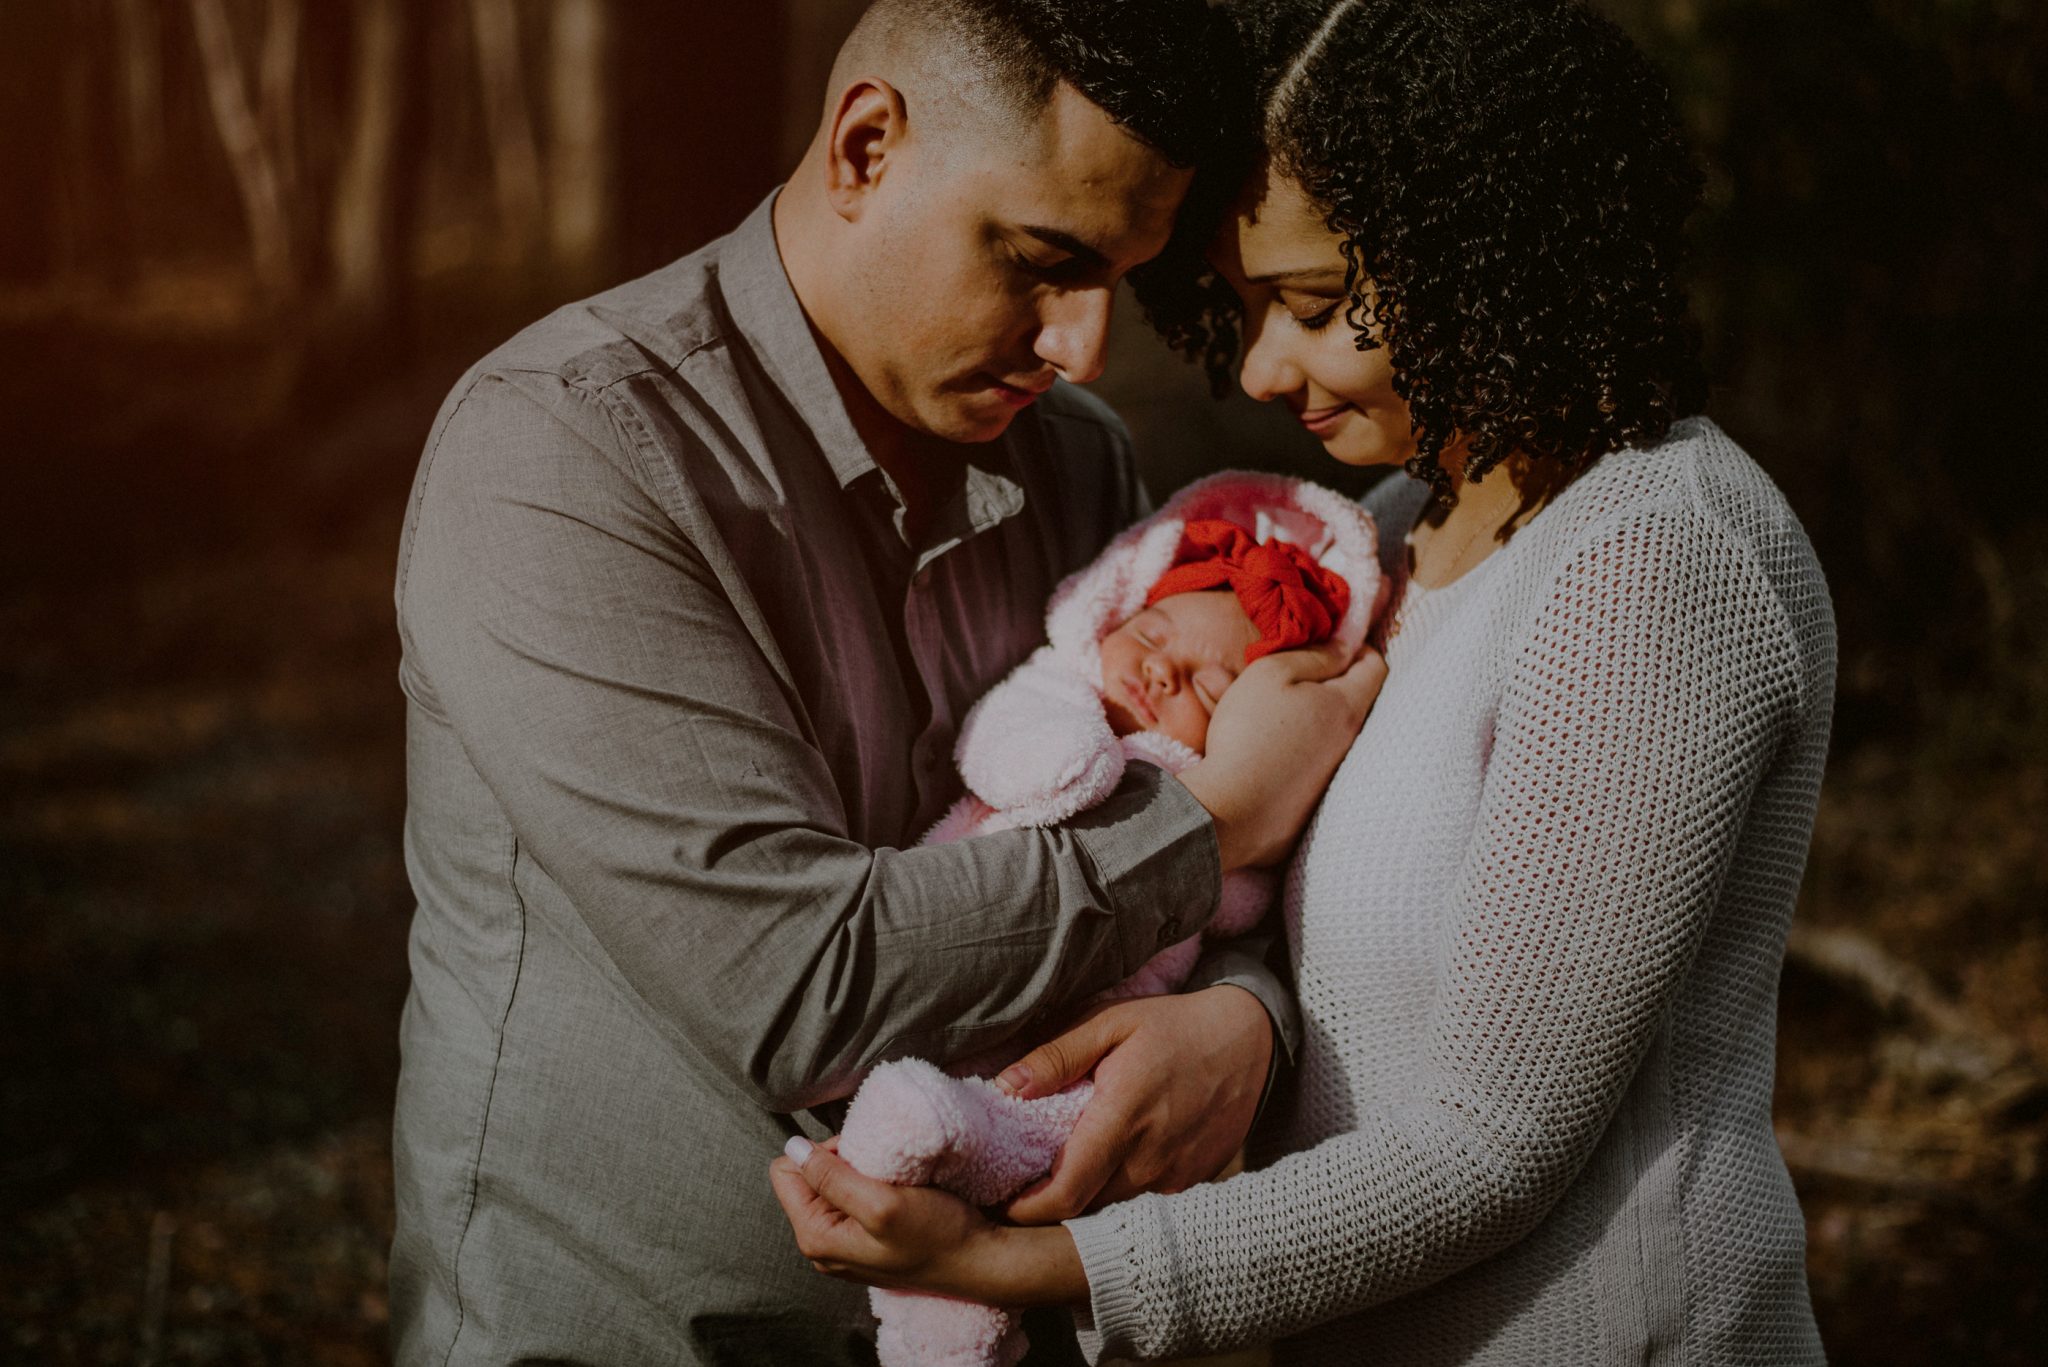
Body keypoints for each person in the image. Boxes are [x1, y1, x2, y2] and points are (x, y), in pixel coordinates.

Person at [770, 2, 1838, 1363]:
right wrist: (1230, 1017)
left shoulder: (1656, 560)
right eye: (1244, 306)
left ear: (1489, 252)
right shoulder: (1378, 536)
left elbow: (1488, 1146)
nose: (1265, 369)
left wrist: (1028, 1261)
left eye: (1319, 308)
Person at [386, 0, 1383, 1362]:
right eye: (1045, 261)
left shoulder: (1078, 463)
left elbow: (1229, 909)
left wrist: (1246, 1027)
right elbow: (798, 988)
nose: (1083, 345)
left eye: (1120, 280)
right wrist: (1204, 827)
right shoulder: (563, 456)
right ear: (865, 147)